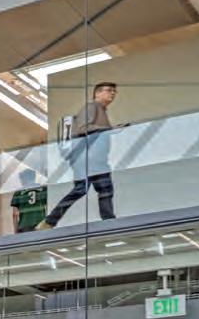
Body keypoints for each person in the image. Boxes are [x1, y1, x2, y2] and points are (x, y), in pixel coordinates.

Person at [39, 82, 123, 229]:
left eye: (114, 91)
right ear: (97, 93)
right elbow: (83, 128)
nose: (113, 94)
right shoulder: (92, 107)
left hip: (94, 160)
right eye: (109, 90)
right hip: (88, 159)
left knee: (99, 190)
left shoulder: (101, 110)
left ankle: (108, 220)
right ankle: (50, 221)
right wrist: (109, 129)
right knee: (93, 189)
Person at [9, 169, 47, 233]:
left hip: (24, 225)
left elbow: (15, 214)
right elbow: (49, 206)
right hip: (40, 222)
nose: (21, 181)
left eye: (21, 178)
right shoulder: (43, 188)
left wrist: (15, 232)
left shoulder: (18, 192)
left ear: (26, 178)